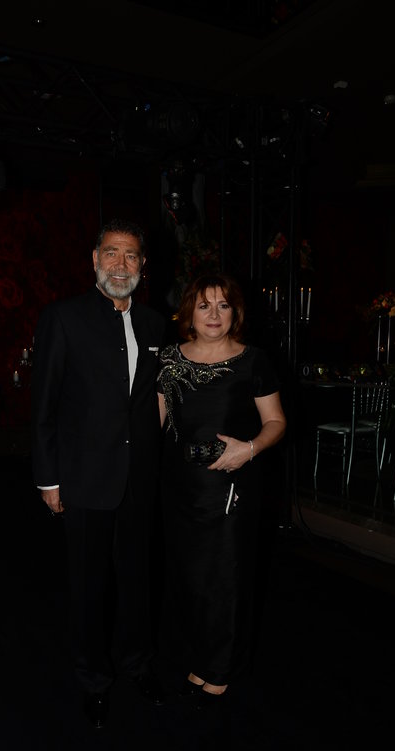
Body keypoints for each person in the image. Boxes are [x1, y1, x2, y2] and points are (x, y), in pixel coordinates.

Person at [31, 218, 166, 728]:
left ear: (143, 265)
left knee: (138, 579)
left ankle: (138, 663)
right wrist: (48, 479)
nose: (120, 265)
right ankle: (93, 678)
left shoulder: (155, 325)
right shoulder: (62, 318)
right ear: (94, 259)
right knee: (89, 586)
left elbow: (156, 400)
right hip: (84, 478)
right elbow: (43, 405)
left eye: (131, 256)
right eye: (111, 253)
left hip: (139, 479)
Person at [157, 273, 286, 706]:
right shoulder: (169, 359)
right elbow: (154, 423)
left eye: (223, 305)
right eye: (204, 305)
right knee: (188, 575)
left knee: (226, 576)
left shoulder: (253, 361)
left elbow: (276, 422)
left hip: (232, 486)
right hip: (179, 488)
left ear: (236, 312)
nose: (214, 314)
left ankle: (221, 669)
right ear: (189, 313)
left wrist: (249, 449)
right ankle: (200, 657)